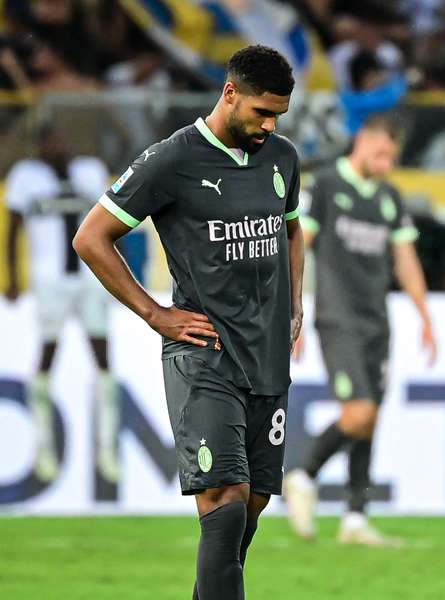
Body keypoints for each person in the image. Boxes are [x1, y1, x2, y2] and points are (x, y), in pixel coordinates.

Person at [73, 45, 302, 599]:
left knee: (248, 511)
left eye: (278, 115)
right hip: (204, 354)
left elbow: (292, 229)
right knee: (224, 501)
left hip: (266, 354)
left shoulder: (282, 158)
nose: (269, 125)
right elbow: (91, 237)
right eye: (260, 113)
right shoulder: (172, 159)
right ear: (229, 93)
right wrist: (156, 314)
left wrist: (296, 305)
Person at [284, 114, 437, 546]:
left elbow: (405, 259)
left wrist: (424, 315)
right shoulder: (328, 187)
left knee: (371, 420)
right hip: (338, 317)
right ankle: (303, 472)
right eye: (383, 154)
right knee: (360, 412)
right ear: (362, 143)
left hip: (377, 322)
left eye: (393, 157)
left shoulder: (389, 196)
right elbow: (299, 249)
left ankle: (354, 518)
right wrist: (292, 314)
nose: (388, 164)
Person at [5, 124, 114, 482]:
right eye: (47, 139)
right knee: (46, 357)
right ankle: (43, 448)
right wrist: (13, 277)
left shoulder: (90, 171)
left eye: (59, 137)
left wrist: (120, 273)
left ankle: (107, 450)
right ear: (37, 145)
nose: (56, 144)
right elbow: (14, 227)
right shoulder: (26, 177)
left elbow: (112, 224)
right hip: (49, 278)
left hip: (89, 277)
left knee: (103, 358)